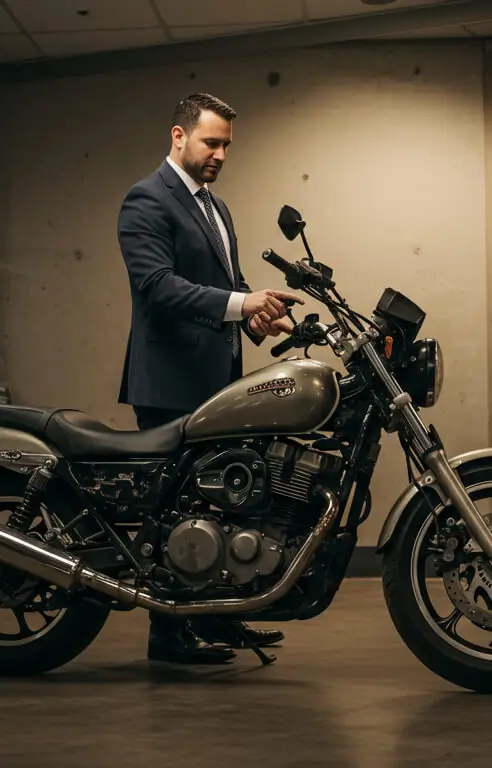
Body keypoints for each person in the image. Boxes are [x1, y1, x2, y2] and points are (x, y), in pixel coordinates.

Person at [118, 92, 303, 664]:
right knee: (173, 509)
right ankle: (167, 636)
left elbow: (231, 285)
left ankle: (213, 620)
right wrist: (241, 304)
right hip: (171, 382)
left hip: (218, 382)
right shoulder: (147, 199)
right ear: (179, 136)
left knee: (219, 505)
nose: (220, 153)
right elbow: (157, 286)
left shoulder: (215, 209)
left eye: (227, 145)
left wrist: (262, 317)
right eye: (211, 142)